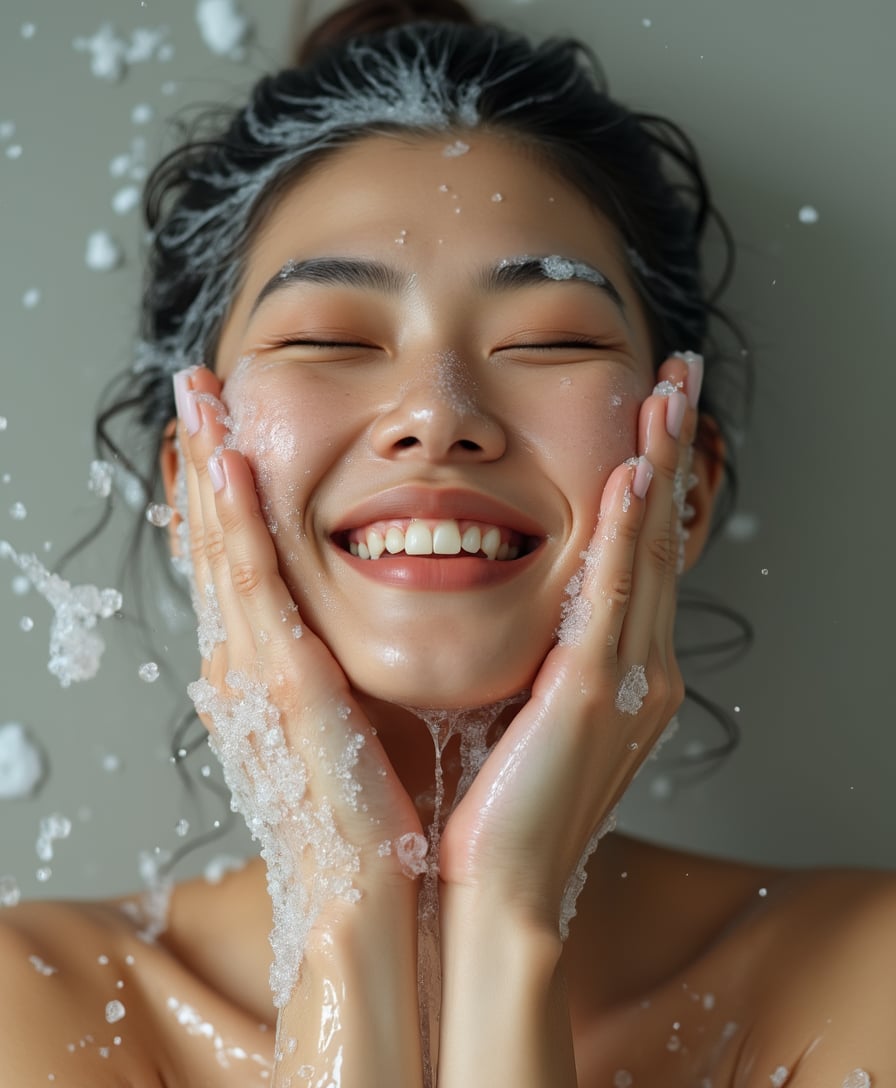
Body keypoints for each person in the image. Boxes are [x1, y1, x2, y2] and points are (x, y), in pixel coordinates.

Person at [2, 1, 893, 1084]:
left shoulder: (862, 980)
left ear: (685, 492)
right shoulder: (34, 1003)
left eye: (548, 340)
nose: (438, 410)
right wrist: (342, 903)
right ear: (189, 487)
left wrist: (508, 917)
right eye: (328, 336)